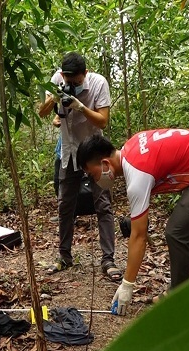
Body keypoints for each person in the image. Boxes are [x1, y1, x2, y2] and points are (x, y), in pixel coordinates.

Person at [76, 129, 189, 315]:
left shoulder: (137, 174)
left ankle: (179, 300)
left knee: (177, 232)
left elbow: (139, 236)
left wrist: (127, 285)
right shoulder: (131, 146)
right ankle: (180, 292)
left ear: (105, 163)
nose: (93, 180)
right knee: (184, 230)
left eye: (91, 174)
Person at [38, 52, 117, 277]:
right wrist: (54, 96)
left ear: (86, 73)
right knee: (65, 205)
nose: (72, 84)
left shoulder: (99, 83)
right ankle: (64, 256)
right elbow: (42, 112)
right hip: (69, 152)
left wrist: (80, 106)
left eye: (77, 80)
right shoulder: (56, 81)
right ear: (63, 75)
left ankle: (108, 260)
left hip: (94, 153)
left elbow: (103, 120)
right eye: (68, 80)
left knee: (103, 205)